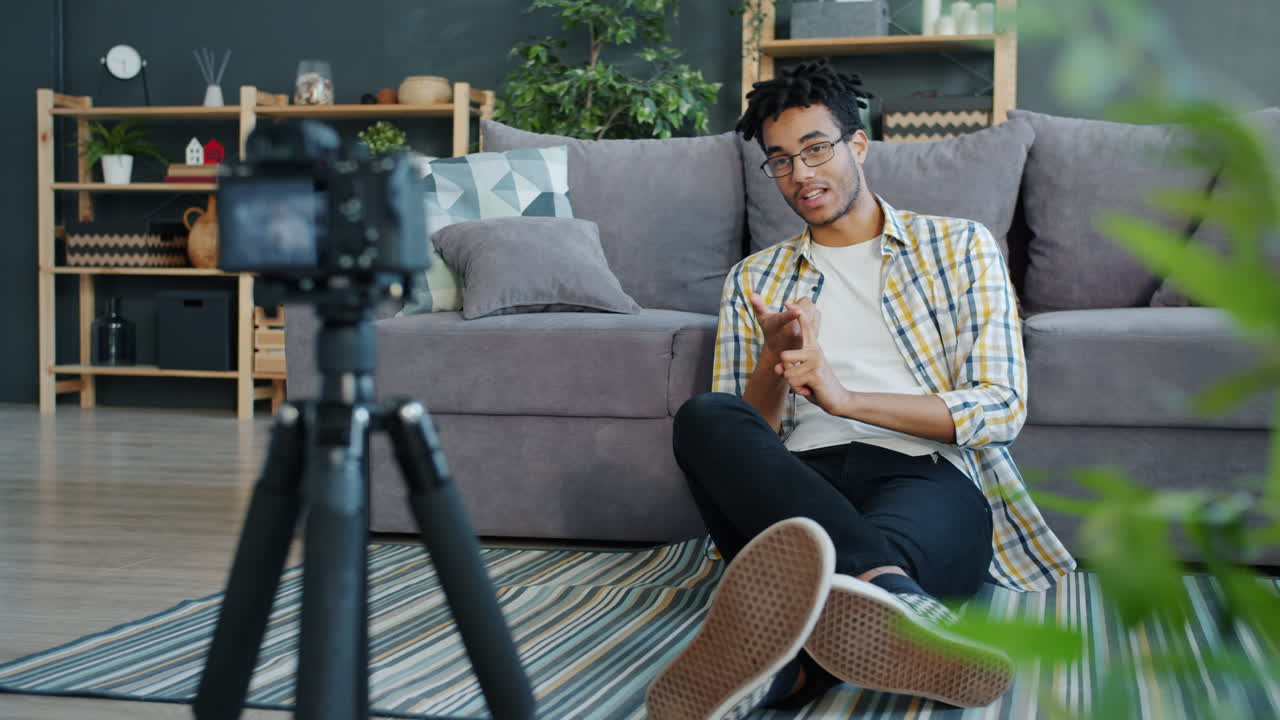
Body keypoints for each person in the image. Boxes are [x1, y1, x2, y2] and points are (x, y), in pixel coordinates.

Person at [645, 60, 1076, 720]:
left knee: (849, 578)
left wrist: (843, 399)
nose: (802, 175)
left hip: (925, 478)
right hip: (793, 487)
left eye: (816, 149)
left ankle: (779, 676)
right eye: (781, 160)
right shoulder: (754, 280)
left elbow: (1001, 405)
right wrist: (775, 357)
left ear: (858, 144)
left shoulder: (960, 247)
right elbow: (746, 438)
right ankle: (895, 600)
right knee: (706, 418)